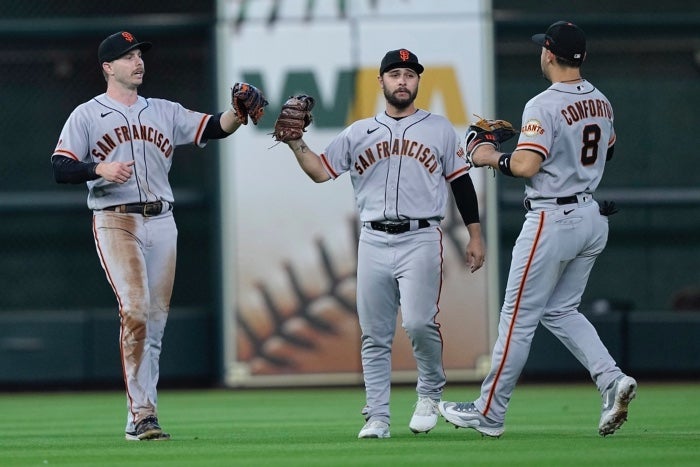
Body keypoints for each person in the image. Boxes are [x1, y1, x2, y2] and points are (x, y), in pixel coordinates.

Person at [51, 31, 266, 441]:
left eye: (139, 55)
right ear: (107, 68)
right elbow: (60, 166)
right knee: (134, 310)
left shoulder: (163, 110)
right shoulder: (87, 115)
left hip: (162, 220)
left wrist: (238, 114)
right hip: (116, 220)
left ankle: (142, 417)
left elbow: (215, 127)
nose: (138, 61)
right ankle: (142, 414)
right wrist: (98, 168)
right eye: (127, 56)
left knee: (154, 321)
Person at [439, 21, 637, 437]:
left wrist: (486, 154)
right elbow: (610, 148)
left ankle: (489, 412)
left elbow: (527, 165)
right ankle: (611, 380)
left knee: (516, 319)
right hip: (590, 217)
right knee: (562, 310)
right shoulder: (601, 100)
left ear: (548, 53)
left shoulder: (542, 104)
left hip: (553, 217)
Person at [278, 49, 485, 438]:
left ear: (418, 82)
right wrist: (295, 145)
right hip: (373, 239)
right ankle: (377, 416)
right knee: (374, 334)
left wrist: (475, 234)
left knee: (420, 323)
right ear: (381, 82)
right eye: (395, 74)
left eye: (409, 74)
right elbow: (322, 171)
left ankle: (429, 391)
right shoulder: (358, 132)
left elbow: (460, 181)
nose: (402, 81)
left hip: (421, 236)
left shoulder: (439, 128)